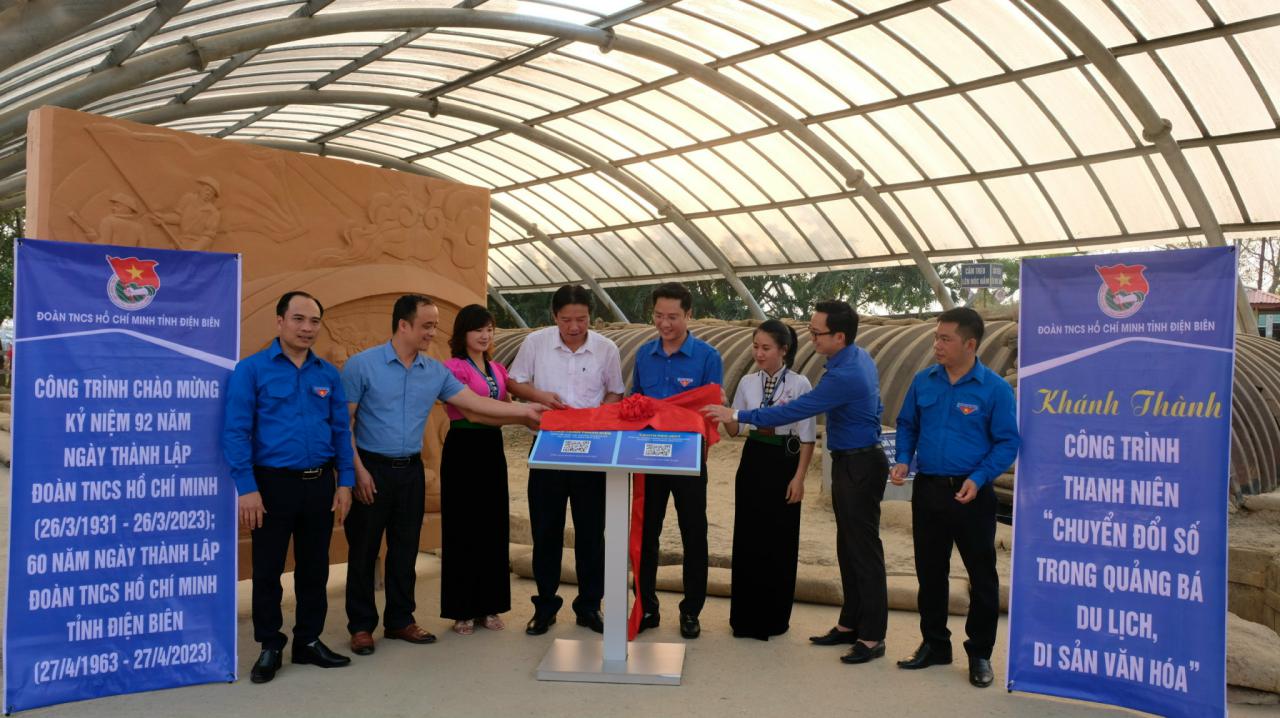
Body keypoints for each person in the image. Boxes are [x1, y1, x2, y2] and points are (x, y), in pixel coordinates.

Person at [341, 295, 544, 656]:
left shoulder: (434, 371)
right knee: (364, 549)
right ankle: (361, 626)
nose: (433, 333)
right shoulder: (362, 366)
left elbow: (475, 404)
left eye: (435, 326)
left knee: (405, 549)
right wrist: (355, 472)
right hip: (370, 468)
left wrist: (525, 411)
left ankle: (400, 620)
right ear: (403, 325)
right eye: (427, 326)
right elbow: (344, 423)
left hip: (411, 470)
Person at [703, 299, 888, 665]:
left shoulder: (843, 374)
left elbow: (796, 412)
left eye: (817, 332)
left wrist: (737, 413)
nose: (811, 338)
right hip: (849, 459)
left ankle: (871, 636)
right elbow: (878, 405)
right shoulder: (854, 359)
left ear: (839, 336)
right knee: (848, 547)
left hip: (860, 463)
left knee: (864, 552)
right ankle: (850, 623)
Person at [223, 291, 356, 684]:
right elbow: (235, 431)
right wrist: (247, 488)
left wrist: (345, 481)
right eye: (298, 319)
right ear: (280, 321)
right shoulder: (251, 370)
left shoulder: (327, 374)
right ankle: (270, 644)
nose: (307, 328)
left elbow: (340, 431)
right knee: (268, 570)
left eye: (314, 321)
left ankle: (308, 641)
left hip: (319, 485)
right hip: (271, 486)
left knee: (315, 568)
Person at [891, 307, 1019, 688]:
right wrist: (903, 459)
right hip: (928, 489)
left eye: (945, 339)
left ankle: (980, 653)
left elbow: (1007, 442)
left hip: (971, 494)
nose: (937, 345)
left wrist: (979, 478)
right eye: (936, 337)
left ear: (970, 344)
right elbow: (907, 424)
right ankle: (934, 644)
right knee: (930, 572)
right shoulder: (923, 381)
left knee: (982, 576)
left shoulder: (994, 389)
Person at [508, 285, 625, 636]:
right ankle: (545, 606)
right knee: (546, 530)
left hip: (592, 448)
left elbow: (616, 390)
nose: (574, 327)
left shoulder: (606, 348)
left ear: (591, 317)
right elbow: (515, 383)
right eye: (566, 319)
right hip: (548, 445)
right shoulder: (536, 343)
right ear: (554, 316)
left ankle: (589, 606)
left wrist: (599, 415)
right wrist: (540, 396)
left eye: (581, 319)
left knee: (591, 531)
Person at [631, 282, 722, 639]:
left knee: (693, 533)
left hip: (688, 458)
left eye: (673, 316)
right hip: (648, 456)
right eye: (658, 316)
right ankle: (646, 606)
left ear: (688, 315)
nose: (665, 323)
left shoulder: (708, 357)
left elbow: (711, 409)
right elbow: (636, 403)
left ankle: (691, 611)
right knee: (646, 532)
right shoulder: (643, 355)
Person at [721, 320, 815, 640]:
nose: (758, 353)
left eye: (766, 348)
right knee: (748, 536)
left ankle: (774, 617)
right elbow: (735, 429)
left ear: (783, 350)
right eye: (755, 347)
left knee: (780, 538)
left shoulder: (800, 384)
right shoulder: (747, 383)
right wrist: (724, 408)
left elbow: (807, 437)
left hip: (785, 461)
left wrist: (799, 478)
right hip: (754, 459)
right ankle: (744, 618)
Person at [440, 304, 517, 635]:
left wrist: (533, 407)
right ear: (463, 333)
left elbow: (507, 404)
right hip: (463, 448)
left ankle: (489, 606)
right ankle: (463, 609)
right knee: (463, 526)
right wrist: (523, 416)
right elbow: (472, 412)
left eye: (489, 329)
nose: (485, 335)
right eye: (477, 330)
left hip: (492, 449)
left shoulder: (498, 368)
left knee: (492, 525)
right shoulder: (452, 368)